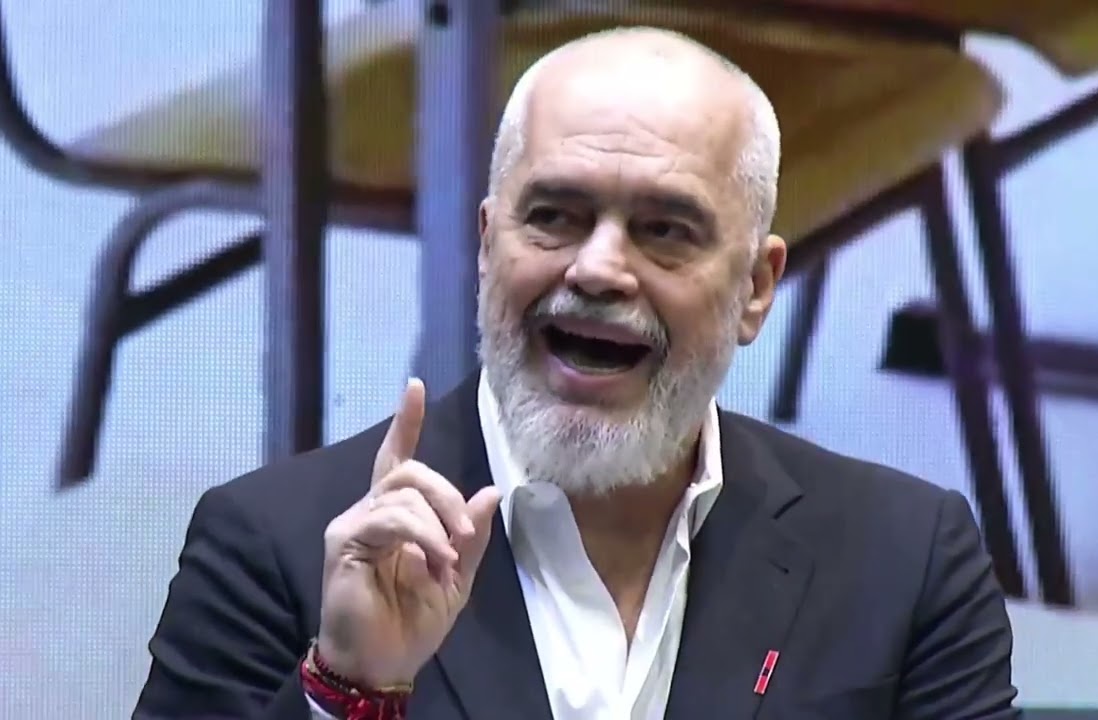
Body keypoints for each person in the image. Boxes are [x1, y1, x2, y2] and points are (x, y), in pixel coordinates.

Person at [133, 24, 1019, 720]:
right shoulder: (274, 548)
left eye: (664, 230)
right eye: (555, 216)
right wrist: (350, 692)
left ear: (755, 289)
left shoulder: (906, 558)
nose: (597, 269)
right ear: (488, 246)